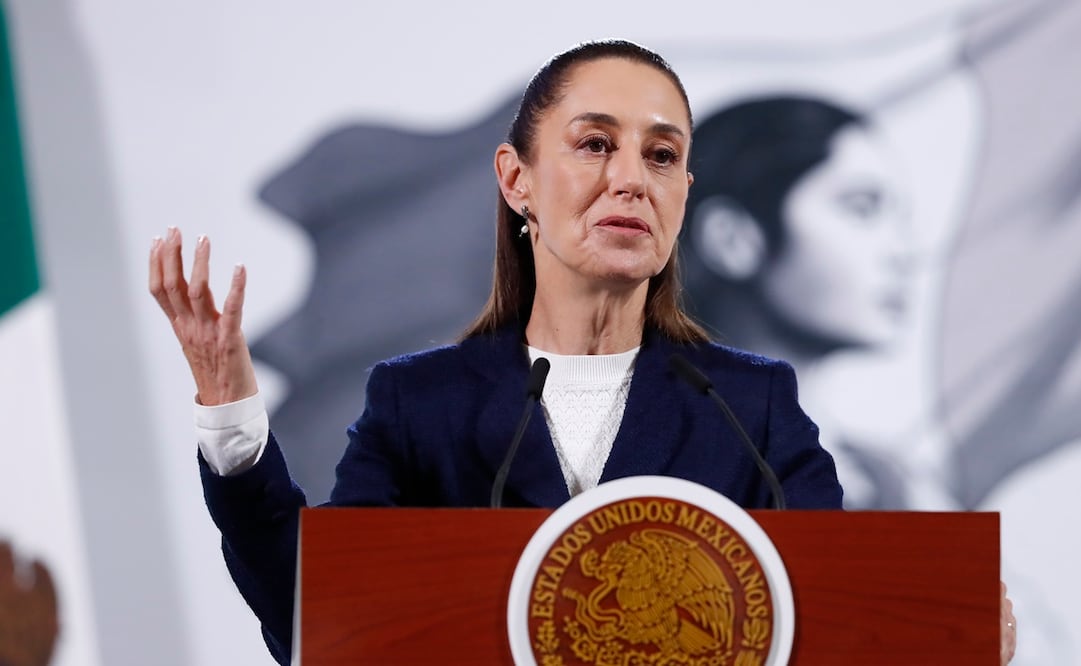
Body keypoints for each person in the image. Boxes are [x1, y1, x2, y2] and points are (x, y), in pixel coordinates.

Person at [147, 41, 1012, 664]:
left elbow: (842, 621)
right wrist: (230, 416)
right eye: (595, 144)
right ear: (517, 180)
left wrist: (954, 632)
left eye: (662, 155)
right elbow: (317, 623)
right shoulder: (423, 405)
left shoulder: (751, 408)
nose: (630, 178)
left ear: (682, 201)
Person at [681, 96, 917, 509]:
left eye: (898, 219)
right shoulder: (631, 458)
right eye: (861, 209)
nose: (903, 251)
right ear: (731, 238)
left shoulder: (885, 482)